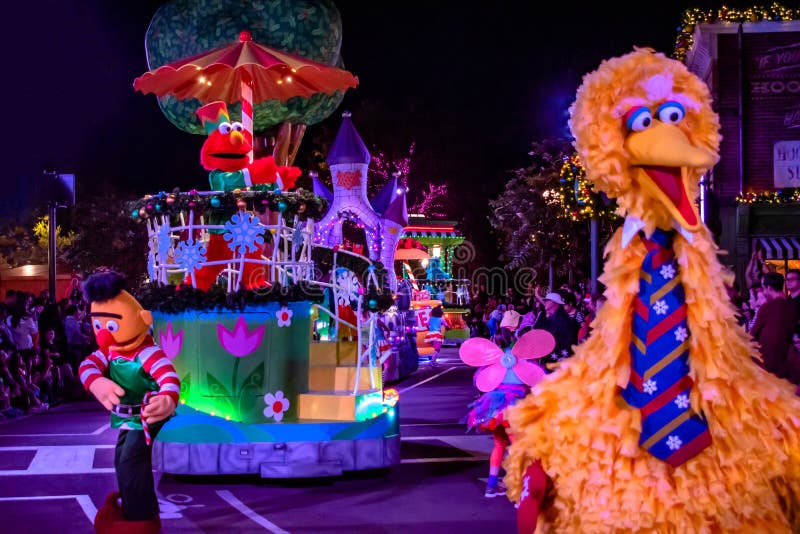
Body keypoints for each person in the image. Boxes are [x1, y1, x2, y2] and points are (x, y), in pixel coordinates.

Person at [79, 271, 180, 534]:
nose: (103, 335)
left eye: (110, 327)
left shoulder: (146, 351)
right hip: (128, 418)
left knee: (131, 461)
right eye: (99, 326)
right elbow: (88, 365)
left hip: (148, 414)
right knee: (121, 459)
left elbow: (168, 376)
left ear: (142, 319)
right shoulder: (111, 350)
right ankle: (135, 512)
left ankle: (141, 520)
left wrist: (167, 398)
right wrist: (97, 383)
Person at [459, 327, 554, 498]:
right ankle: (520, 486)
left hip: (494, 407)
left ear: (495, 343)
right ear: (513, 340)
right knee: (518, 447)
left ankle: (492, 485)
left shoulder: (492, 361)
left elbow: (479, 381)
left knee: (499, 445)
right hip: (514, 407)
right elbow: (538, 377)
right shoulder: (521, 359)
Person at [750, 272, 797, 380]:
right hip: (783, 358)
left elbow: (752, 334)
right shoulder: (792, 307)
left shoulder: (767, 307)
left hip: (765, 360)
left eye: (763, 287)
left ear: (769, 288)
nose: (763, 290)